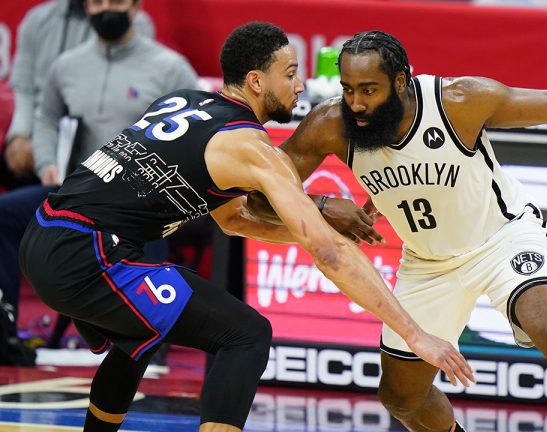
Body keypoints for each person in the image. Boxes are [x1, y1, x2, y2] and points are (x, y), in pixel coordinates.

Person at [245, 30, 547, 432]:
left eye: (369, 89)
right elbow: (259, 198)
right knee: (400, 396)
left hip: (503, 238)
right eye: (348, 89)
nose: (357, 103)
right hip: (427, 264)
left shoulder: (459, 101)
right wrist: (324, 206)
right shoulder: (331, 124)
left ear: (402, 81)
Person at [18, 22, 474, 432]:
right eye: (290, 73)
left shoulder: (185, 101)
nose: (301, 85)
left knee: (140, 330)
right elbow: (328, 254)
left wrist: (312, 224)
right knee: (246, 334)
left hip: (44, 236)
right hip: (88, 254)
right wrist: (413, 333)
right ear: (257, 81)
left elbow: (235, 219)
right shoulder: (253, 149)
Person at [0, 0, 155, 332]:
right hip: (71, 182)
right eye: (97, 3)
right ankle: (5, 329)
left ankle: (146, 334)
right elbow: (41, 109)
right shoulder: (63, 60)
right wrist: (40, 155)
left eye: (116, 2)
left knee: (151, 221)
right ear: (88, 8)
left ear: (136, 8)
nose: (106, 10)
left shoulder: (164, 64)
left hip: (134, 193)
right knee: (4, 213)